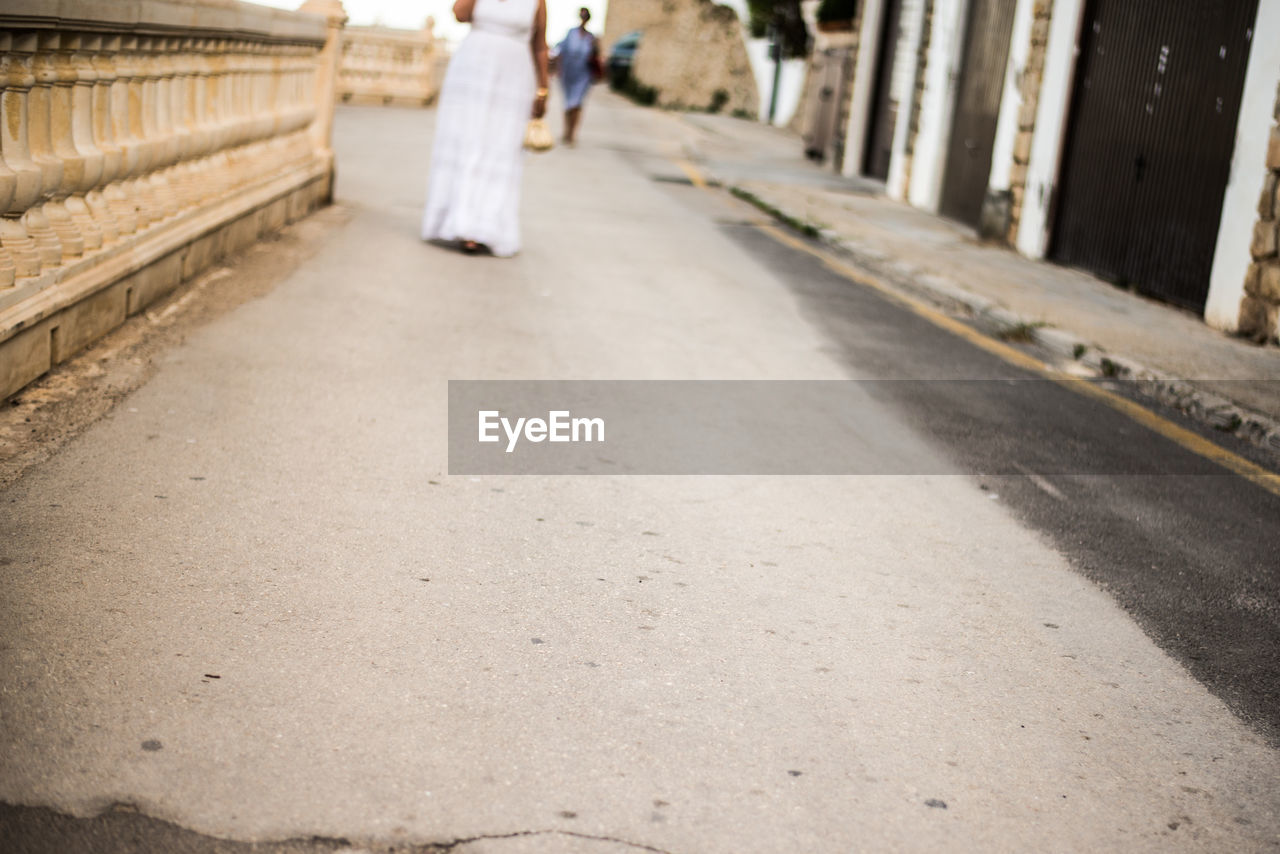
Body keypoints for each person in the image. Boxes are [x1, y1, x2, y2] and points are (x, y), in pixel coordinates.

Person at [421, 0, 549, 257]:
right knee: (464, 141)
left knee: (501, 149)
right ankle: (456, 221)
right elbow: (460, 14)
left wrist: (543, 88)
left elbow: (540, 45)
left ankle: (485, 227)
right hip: (471, 72)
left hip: (513, 78)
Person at [555, 7, 599, 146]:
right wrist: (556, 67)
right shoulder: (571, 33)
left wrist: (596, 46)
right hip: (568, 72)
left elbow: (596, 56)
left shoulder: (591, 38)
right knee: (568, 104)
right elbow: (560, 50)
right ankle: (566, 130)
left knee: (577, 104)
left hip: (583, 74)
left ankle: (572, 133)